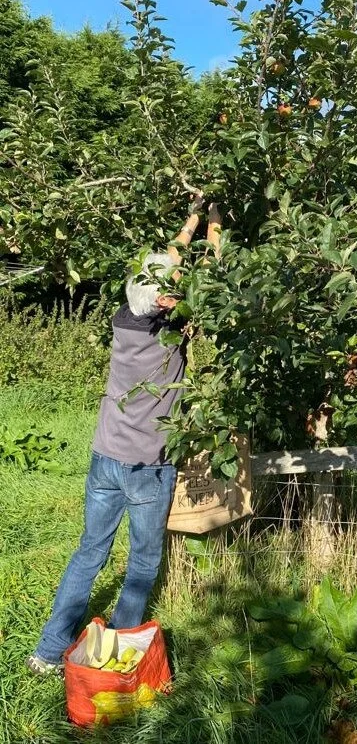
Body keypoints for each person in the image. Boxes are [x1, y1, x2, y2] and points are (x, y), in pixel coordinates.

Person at [27, 196, 222, 675]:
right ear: (162, 300)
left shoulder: (126, 317)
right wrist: (214, 224)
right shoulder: (170, 330)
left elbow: (164, 264)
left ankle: (48, 652)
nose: (176, 291)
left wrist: (191, 221)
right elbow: (214, 280)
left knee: (89, 552)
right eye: (170, 291)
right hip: (148, 468)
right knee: (141, 565)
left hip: (104, 458)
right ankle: (114, 657)